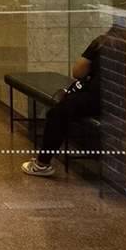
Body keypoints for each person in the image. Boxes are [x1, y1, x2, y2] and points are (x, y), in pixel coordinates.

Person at [21, 30, 110, 177]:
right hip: (118, 99)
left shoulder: (101, 42)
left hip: (95, 98)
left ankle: (42, 163)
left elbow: (77, 72)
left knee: (57, 113)